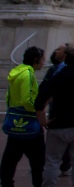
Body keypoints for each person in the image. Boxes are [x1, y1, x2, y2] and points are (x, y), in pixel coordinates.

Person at [34, 47, 74, 187]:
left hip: (58, 124)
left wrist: (42, 120)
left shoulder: (57, 78)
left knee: (52, 161)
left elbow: (40, 101)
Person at [1, 46, 45, 187]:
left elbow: (9, 96)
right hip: (28, 120)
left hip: (15, 118)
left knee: (10, 158)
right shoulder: (28, 74)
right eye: (42, 60)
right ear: (36, 60)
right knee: (37, 160)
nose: (44, 62)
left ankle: (6, 183)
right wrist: (37, 109)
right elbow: (27, 100)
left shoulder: (16, 72)